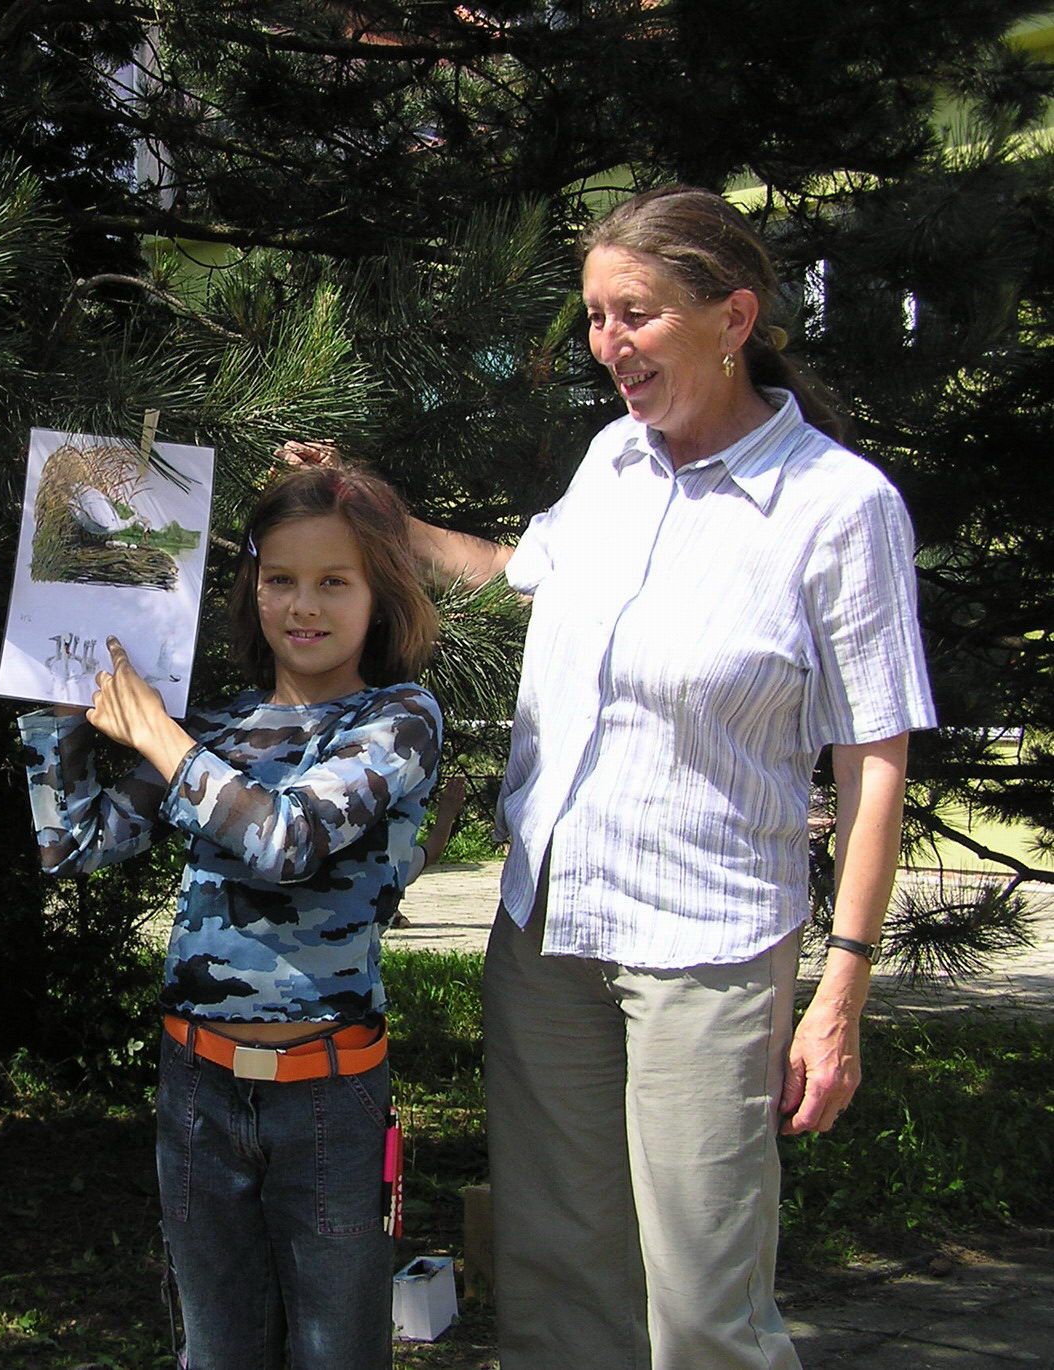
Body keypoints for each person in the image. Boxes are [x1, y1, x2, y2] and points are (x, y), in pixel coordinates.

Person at [294, 184, 936, 1367]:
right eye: (595, 316)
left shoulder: (840, 508)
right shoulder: (612, 462)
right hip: (549, 932)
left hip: (708, 946)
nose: (607, 343)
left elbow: (875, 756)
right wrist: (378, 513)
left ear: (733, 317)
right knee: (557, 1282)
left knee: (704, 1309)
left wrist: (841, 986)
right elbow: (511, 569)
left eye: (634, 312)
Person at [20, 464, 443, 1369]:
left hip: (328, 1096)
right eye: (280, 578)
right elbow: (74, 846)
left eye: (334, 581)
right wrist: (61, 702)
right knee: (218, 1353)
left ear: (381, 594)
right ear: (252, 586)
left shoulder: (400, 718)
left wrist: (159, 736)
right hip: (198, 1093)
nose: (303, 605)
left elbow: (287, 840)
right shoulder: (212, 729)